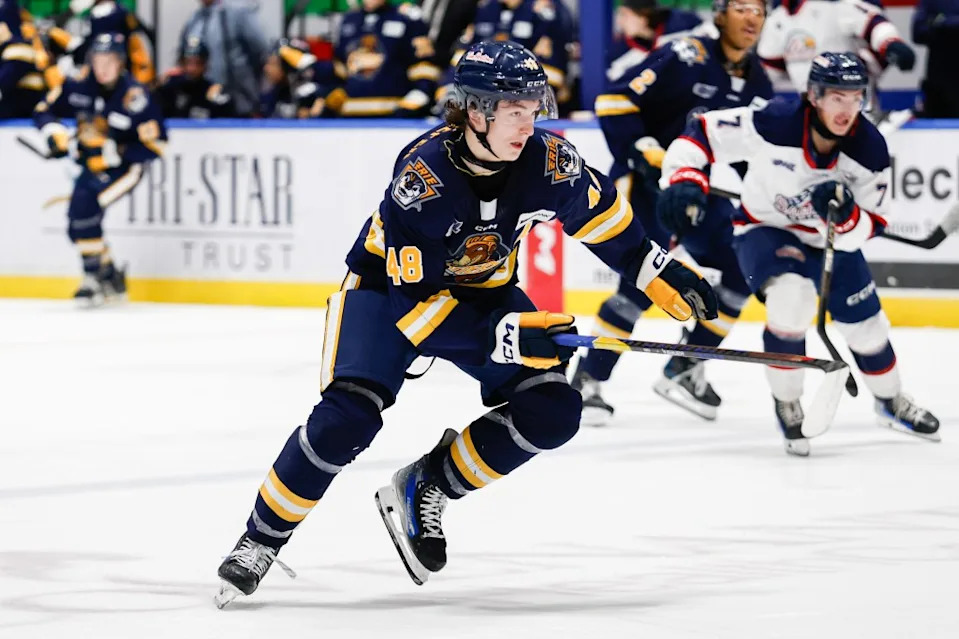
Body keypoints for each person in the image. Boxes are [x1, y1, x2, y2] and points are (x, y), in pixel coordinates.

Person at [213, 39, 717, 607]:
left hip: (485, 291)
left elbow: (601, 214)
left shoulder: (548, 162)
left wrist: (653, 268)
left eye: (534, 109)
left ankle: (428, 483)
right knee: (347, 417)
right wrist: (506, 336)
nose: (528, 125)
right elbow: (416, 309)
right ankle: (260, 540)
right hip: (389, 292)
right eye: (514, 111)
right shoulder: (422, 176)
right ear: (475, 111)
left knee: (554, 409)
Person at [657, 52, 940, 456]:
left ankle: (891, 401)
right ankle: (788, 402)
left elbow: (872, 223)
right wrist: (685, 179)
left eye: (856, 98)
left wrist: (846, 215)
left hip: (830, 239)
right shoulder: (774, 120)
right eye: (837, 98)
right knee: (791, 301)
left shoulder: (869, 150)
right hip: (764, 229)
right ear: (814, 95)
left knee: (868, 329)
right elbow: (701, 132)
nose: (848, 109)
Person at [572, 0, 773, 426]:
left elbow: (755, 155)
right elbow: (612, 102)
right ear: (720, 14)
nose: (752, 17)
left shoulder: (759, 82)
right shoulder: (685, 55)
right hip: (646, 186)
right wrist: (644, 150)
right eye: (741, 7)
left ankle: (685, 367)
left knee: (739, 276)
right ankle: (588, 379)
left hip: (698, 191)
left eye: (759, 9)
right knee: (641, 284)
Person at [33, 32, 166, 306]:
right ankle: (110, 275)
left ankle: (92, 278)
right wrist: (53, 131)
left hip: (126, 170)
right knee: (76, 226)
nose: (103, 68)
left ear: (121, 63)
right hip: (90, 166)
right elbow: (43, 109)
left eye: (110, 61)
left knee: (86, 207)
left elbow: (158, 145)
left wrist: (120, 151)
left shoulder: (135, 97)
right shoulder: (80, 85)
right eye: (98, 60)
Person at [757, 0, 914, 112]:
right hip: (812, 112)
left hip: (857, 108)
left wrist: (890, 44)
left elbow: (873, 23)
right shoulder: (776, 18)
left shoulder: (835, 5)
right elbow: (769, 71)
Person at [436, 0, 574, 108]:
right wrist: (450, 84)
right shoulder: (486, 8)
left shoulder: (541, 10)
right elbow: (468, 51)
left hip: (522, 82)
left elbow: (548, 58)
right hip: (486, 80)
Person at [320, 0, 440, 117]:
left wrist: (419, 95)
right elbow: (339, 66)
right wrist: (330, 92)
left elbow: (423, 64)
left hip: (393, 114)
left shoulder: (405, 18)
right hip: (349, 115)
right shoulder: (348, 20)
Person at [178, 0, 268, 117]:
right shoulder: (195, 18)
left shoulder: (239, 12)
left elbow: (261, 50)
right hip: (204, 102)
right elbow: (185, 53)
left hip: (240, 101)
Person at [607, 0, 714, 84]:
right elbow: (618, 87)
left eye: (624, 15)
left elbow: (713, 38)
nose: (619, 22)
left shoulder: (683, 24)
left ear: (643, 17)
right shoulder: (620, 51)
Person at [156, 36, 233, 119]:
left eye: (198, 63)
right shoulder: (168, 90)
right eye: (187, 63)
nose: (192, 69)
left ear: (205, 65)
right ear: (180, 63)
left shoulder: (214, 94)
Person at [260, 38, 331, 119]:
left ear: (288, 67)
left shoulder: (314, 94)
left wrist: (312, 114)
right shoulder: (271, 96)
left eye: (273, 64)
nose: (266, 68)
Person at [912, 0, 959, 118]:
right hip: (940, 83)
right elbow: (918, 32)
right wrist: (945, 25)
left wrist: (942, 23)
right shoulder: (933, 2)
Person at [0, 2, 45, 118]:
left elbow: (4, 83)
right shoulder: (8, 48)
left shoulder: (19, 49)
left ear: (5, 26)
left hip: (24, 110)